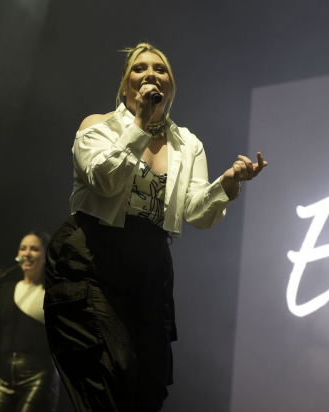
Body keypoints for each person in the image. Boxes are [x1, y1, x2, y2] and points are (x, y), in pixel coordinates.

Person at [43, 42, 267, 412]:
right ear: (125, 87)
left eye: (159, 69)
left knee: (150, 385)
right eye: (139, 68)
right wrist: (141, 124)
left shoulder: (188, 144)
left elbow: (196, 212)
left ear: (171, 87)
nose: (150, 74)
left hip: (150, 264)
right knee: (110, 371)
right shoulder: (97, 126)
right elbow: (105, 182)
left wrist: (227, 185)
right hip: (92, 254)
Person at [0, 231, 60, 412]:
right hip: (2, 376)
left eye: (34, 249)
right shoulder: (3, 290)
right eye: (23, 248)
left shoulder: (53, 294)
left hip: (39, 376)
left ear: (45, 256)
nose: (26, 253)